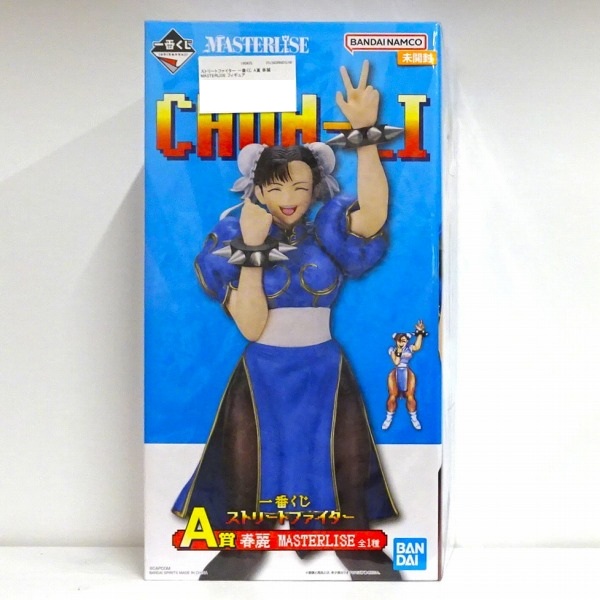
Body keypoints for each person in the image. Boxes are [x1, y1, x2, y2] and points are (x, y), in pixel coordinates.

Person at [173, 61, 402, 581]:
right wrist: (253, 249)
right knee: (247, 463)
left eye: (299, 187)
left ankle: (356, 547)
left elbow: (372, 216)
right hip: (262, 372)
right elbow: (251, 327)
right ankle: (241, 550)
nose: (289, 199)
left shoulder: (327, 227)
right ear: (255, 188)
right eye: (275, 189)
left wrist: (365, 136)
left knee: (344, 461)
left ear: (316, 185)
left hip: (324, 368)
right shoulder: (230, 235)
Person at [381, 321, 427, 431]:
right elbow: (396, 362)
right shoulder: (392, 350)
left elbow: (417, 346)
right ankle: (388, 418)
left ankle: (414, 418)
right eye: (400, 340)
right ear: (396, 341)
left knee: (410, 396)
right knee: (392, 396)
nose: (402, 343)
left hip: (407, 372)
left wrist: (420, 333)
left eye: (404, 341)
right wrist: (399, 351)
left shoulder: (409, 348)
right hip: (396, 372)